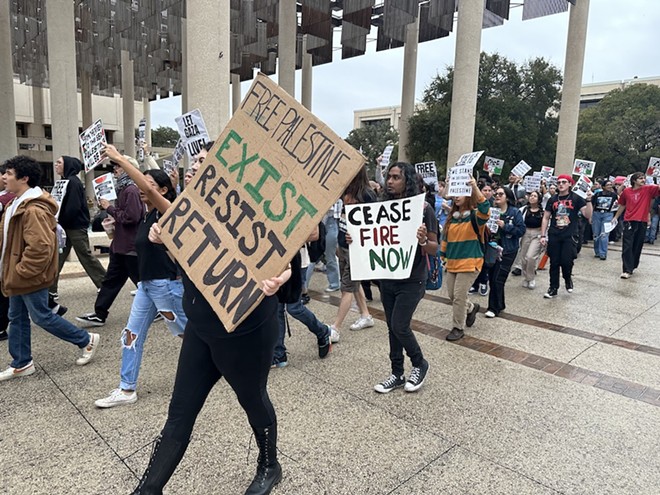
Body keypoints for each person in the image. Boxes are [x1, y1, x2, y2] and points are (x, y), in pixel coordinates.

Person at [108, 143, 292, 494]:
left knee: (252, 399)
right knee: (180, 412)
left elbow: (289, 249)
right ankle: (147, 490)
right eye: (194, 164)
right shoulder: (179, 213)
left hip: (245, 331)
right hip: (202, 328)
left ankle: (270, 465)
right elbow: (150, 193)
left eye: (205, 164)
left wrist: (280, 277)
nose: (194, 169)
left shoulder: (253, 215)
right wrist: (161, 238)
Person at [94, 160, 187, 408]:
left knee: (188, 333)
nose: (141, 187)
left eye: (149, 184)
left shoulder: (168, 212)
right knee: (131, 334)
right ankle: (126, 389)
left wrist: (120, 158)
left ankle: (226, 360)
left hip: (166, 285)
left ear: (162, 191)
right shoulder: (146, 216)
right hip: (147, 286)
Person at [0, 156, 100, 382]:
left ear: (24, 178)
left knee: (41, 316)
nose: (4, 177)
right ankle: (21, 362)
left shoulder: (33, 209)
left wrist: (21, 271)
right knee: (16, 317)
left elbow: (40, 248)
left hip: (26, 275)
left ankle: (85, 340)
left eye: (9, 173)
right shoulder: (14, 203)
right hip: (16, 274)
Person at [371, 163, 437, 394]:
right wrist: (355, 239)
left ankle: (419, 363)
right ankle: (397, 374)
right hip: (387, 277)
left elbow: (434, 248)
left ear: (407, 180)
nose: (390, 181)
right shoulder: (382, 208)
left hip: (412, 279)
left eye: (396, 177)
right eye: (389, 177)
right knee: (392, 327)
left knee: (400, 325)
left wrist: (421, 241)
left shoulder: (424, 209)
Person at [76, 157, 144, 326]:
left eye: (119, 167)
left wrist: (109, 208)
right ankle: (100, 313)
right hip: (122, 246)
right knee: (111, 281)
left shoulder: (130, 190)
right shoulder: (125, 189)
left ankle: (161, 308)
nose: (115, 170)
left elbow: (132, 217)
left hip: (129, 246)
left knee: (143, 282)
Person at [271, 239, 338, 369]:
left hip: (297, 262)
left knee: (294, 307)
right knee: (277, 308)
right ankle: (279, 354)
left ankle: (323, 331)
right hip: (277, 261)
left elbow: (314, 234)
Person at [440, 177, 490, 341]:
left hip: (470, 262)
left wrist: (475, 186)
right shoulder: (451, 218)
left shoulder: (475, 216)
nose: (456, 196)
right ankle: (471, 308)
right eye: (455, 192)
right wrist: (443, 257)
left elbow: (485, 208)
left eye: (460, 192)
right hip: (452, 263)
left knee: (459, 297)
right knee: (453, 296)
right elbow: (446, 240)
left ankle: (457, 328)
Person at [329, 167, 376, 340]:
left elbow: (373, 224)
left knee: (347, 288)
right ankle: (365, 315)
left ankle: (336, 328)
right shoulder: (347, 191)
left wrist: (357, 237)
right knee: (352, 285)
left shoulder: (367, 195)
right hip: (344, 246)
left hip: (356, 249)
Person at [50, 156, 106, 297]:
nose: (56, 164)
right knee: (57, 257)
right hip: (65, 226)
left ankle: (105, 284)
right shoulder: (65, 182)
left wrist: (59, 220)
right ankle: (50, 289)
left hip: (74, 227)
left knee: (84, 255)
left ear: (67, 165)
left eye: (59, 162)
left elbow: (73, 207)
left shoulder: (73, 182)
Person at [540, 174, 593, 298]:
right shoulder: (553, 199)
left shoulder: (577, 198)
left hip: (569, 235)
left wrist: (589, 200)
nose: (561, 184)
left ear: (570, 184)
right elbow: (546, 217)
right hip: (554, 234)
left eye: (564, 182)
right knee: (554, 262)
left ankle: (567, 278)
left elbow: (587, 214)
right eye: (559, 182)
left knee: (566, 261)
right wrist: (543, 235)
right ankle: (553, 287)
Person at [484, 187, 525, 318]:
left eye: (500, 194)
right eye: (496, 194)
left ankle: (493, 307)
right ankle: (500, 304)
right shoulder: (491, 211)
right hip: (492, 249)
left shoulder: (515, 212)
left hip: (508, 250)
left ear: (507, 197)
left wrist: (505, 226)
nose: (497, 196)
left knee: (498, 278)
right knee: (493, 278)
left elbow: (521, 230)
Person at [613, 172, 660, 278]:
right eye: (640, 178)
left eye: (644, 178)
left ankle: (633, 265)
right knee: (627, 245)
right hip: (629, 220)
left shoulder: (648, 189)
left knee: (637, 245)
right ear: (634, 180)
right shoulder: (627, 192)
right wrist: (615, 217)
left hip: (642, 221)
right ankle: (626, 269)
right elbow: (622, 205)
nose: (643, 180)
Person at [469, 181, 494, 296]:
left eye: (489, 190)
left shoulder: (495, 203)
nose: (487, 192)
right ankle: (475, 283)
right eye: (485, 190)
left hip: (490, 237)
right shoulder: (473, 204)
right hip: (477, 234)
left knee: (485, 261)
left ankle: (484, 282)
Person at [519, 190, 544, 289]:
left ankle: (531, 278)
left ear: (539, 199)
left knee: (531, 257)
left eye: (535, 196)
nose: (532, 197)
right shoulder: (523, 209)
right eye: (531, 196)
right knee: (524, 257)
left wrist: (543, 236)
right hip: (525, 233)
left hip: (537, 234)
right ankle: (526, 277)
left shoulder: (542, 211)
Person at [591, 179, 618, 260]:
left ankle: (603, 253)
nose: (609, 186)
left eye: (610, 185)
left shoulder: (614, 195)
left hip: (608, 214)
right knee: (596, 234)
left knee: (604, 234)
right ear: (603, 187)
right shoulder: (597, 194)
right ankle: (597, 252)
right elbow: (592, 205)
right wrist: (591, 216)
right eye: (607, 185)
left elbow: (616, 206)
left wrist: (615, 217)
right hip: (597, 214)